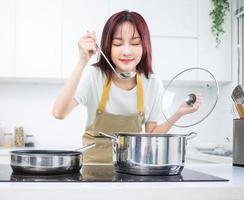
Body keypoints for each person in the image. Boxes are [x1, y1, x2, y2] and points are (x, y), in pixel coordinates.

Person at [52, 10, 200, 163]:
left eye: (135, 43)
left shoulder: (152, 82)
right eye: (118, 43)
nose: (127, 51)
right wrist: (82, 61)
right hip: (93, 172)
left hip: (132, 170)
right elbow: (59, 112)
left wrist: (178, 113)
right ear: (108, 46)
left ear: (145, 46)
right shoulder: (94, 76)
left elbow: (151, 134)